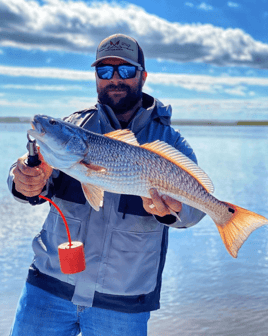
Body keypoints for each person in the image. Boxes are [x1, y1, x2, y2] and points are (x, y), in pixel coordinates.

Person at [7, 34, 205, 336]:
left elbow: (196, 207)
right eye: (104, 71)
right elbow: (27, 171)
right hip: (47, 289)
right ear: (95, 76)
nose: (114, 79)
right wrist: (23, 179)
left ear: (143, 75)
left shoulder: (170, 141)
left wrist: (173, 211)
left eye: (125, 70)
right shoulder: (73, 125)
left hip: (123, 303)